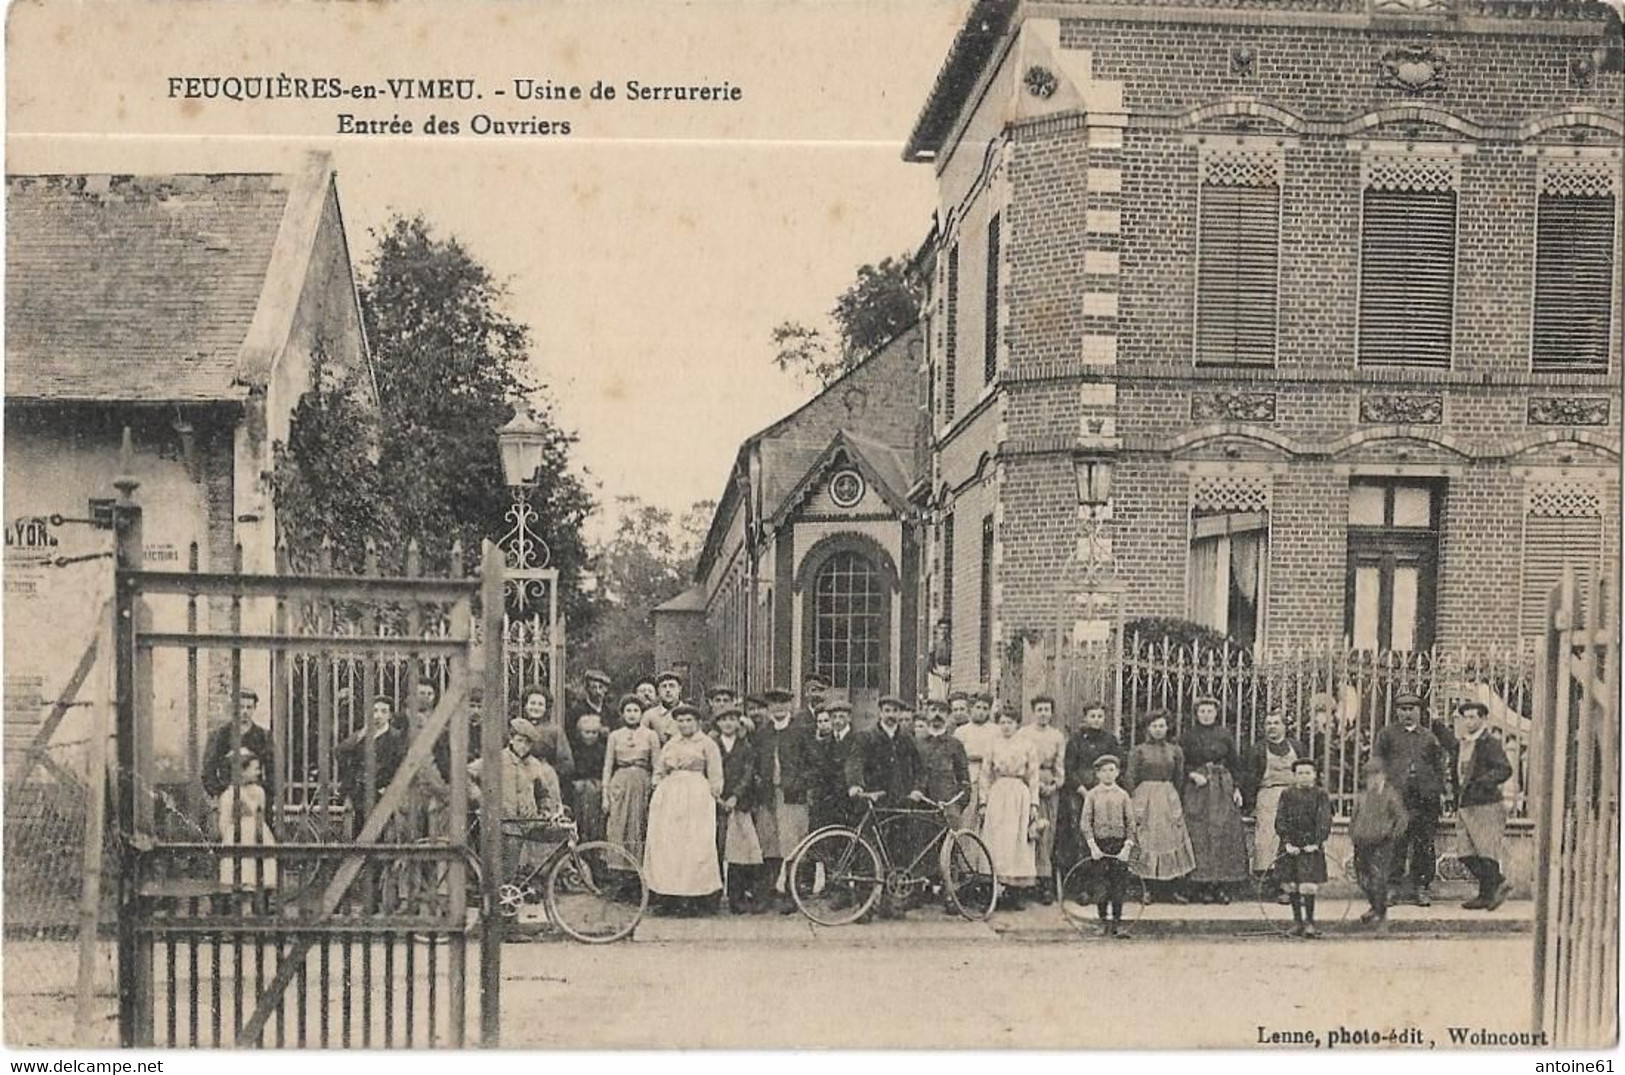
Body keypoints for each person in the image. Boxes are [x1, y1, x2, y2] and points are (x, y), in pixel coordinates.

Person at [644, 704, 724, 915]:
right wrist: (658, 787)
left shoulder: (707, 744)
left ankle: (697, 898)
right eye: (680, 720)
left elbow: (715, 774)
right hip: (670, 799)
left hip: (697, 797)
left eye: (689, 720)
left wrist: (713, 795)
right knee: (670, 847)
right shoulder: (671, 744)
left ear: (697, 722)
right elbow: (659, 769)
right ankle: (670, 897)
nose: (685, 724)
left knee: (696, 846)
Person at [1372, 691, 1450, 906]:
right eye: (1403, 709)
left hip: (1425, 799)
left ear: (1419, 712)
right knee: (1396, 842)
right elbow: (1377, 764)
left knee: (1424, 844)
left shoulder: (1428, 737)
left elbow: (1439, 766)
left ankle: (1420, 887)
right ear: (1397, 711)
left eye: (1412, 709)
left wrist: (1439, 791)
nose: (1408, 713)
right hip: (1398, 798)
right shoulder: (1387, 735)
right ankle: (1392, 887)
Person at [468, 718, 562, 878]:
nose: (523, 746)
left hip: (526, 823)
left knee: (552, 842)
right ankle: (501, 895)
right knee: (505, 868)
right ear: (511, 739)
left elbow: (543, 794)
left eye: (528, 743)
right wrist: (479, 798)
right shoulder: (495, 759)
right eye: (519, 741)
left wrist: (545, 809)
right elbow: (467, 774)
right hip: (501, 822)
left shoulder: (534, 765)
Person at [752, 686, 818, 913]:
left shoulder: (801, 731)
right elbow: (755, 763)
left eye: (783, 702)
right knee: (769, 844)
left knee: (793, 845)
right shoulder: (763, 733)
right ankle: (769, 893)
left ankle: (792, 894)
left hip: (793, 797)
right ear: (768, 707)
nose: (778, 707)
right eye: (773, 703)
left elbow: (815, 764)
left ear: (790, 705)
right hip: (769, 797)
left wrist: (800, 783)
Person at [1180, 696, 1249, 904]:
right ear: (1196, 713)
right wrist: (1192, 774)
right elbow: (1180, 763)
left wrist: (1237, 788)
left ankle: (1220, 885)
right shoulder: (1188, 736)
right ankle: (1200, 885)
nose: (1206, 715)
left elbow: (1235, 763)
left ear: (1216, 713)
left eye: (1210, 711)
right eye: (1202, 711)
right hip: (1198, 788)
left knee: (1223, 834)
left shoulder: (1225, 735)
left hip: (1222, 788)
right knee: (1199, 834)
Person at [1125, 710, 1195, 901]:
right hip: (1145, 798)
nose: (1158, 730)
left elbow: (1179, 777)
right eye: (1154, 726)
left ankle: (1171, 889)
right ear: (1148, 728)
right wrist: (1135, 800)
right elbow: (1130, 777)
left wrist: (1174, 798)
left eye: (1161, 726)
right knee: (1146, 840)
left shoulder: (1175, 750)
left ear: (1167, 727)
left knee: (1171, 839)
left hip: (1168, 798)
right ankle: (1146, 889)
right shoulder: (1138, 750)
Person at [977, 705, 1040, 908]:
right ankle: (994, 889)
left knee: (1017, 840)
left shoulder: (1027, 745)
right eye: (1002, 722)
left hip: (1019, 794)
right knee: (996, 840)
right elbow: (985, 774)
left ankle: (1015, 892)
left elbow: (1033, 776)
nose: (1006, 726)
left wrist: (1033, 803)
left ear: (1017, 724)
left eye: (1010, 722)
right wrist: (984, 802)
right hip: (998, 793)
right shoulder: (992, 744)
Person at [1454, 701, 1513, 911]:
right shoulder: (1462, 742)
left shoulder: (1489, 743)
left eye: (1473, 717)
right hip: (1466, 803)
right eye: (1465, 717)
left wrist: (1482, 783)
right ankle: (1498, 883)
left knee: (1485, 851)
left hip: (1486, 804)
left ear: (1482, 719)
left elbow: (1505, 769)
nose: (1468, 721)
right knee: (1466, 853)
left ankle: (1486, 895)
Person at [1244, 712, 1308, 902]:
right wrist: (1250, 804)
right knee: (1267, 840)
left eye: (1276, 723)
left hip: (1294, 796)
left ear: (1284, 726)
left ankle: (1293, 885)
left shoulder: (1296, 746)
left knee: (1294, 839)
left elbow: (1307, 771)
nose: (1272, 727)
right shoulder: (1258, 750)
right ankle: (1271, 884)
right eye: (1268, 723)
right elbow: (1250, 779)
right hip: (1268, 796)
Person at [1058, 702, 1124, 874]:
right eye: (1092, 716)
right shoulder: (1076, 740)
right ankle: (1082, 881)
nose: (1096, 720)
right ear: (1085, 718)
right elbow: (1069, 769)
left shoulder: (1110, 740)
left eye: (1100, 716)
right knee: (1081, 833)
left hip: (1104, 792)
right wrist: (1082, 790)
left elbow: (1116, 765)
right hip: (1080, 792)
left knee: (1102, 833)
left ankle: (1100, 878)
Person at [711, 706, 763, 914]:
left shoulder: (746, 747)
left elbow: (748, 774)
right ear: (718, 723)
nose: (728, 724)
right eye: (724, 720)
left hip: (739, 804)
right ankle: (713, 896)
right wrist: (717, 797)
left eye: (732, 720)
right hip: (716, 803)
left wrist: (735, 797)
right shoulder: (712, 745)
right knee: (715, 847)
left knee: (738, 853)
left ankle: (736, 897)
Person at [1273, 758, 1332, 938]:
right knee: (1291, 885)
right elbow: (1280, 819)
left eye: (1308, 773)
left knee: (1308, 885)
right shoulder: (1287, 794)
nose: (1304, 776)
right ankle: (1297, 922)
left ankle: (1310, 923)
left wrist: (1316, 842)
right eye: (1300, 773)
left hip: (1311, 846)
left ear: (1315, 775)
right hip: (1291, 845)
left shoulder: (1320, 794)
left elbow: (1324, 820)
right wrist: (1287, 842)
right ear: (1294, 776)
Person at [1080, 754, 1137, 938]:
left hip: (1118, 845)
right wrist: (1093, 847)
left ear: (1118, 772)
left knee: (1118, 885)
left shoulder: (1123, 795)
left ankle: (1118, 924)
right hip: (1100, 844)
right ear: (1097, 774)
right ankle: (1103, 922)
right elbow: (1085, 822)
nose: (1107, 774)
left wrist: (1127, 847)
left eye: (1111, 770)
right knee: (1101, 885)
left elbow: (1131, 823)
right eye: (1103, 771)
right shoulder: (1092, 795)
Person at [1019, 695, 1067, 904]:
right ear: (1033, 711)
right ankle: (1025, 881)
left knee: (1048, 832)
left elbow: (1060, 764)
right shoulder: (1023, 734)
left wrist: (1055, 784)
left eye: (1047, 710)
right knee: (1027, 830)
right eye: (1039, 710)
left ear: (1052, 712)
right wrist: (1034, 785)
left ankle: (1045, 882)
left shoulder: (1057, 736)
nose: (1043, 714)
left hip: (1049, 785)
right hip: (1027, 783)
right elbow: (1019, 762)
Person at [602, 694, 661, 864]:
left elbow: (657, 765)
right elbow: (608, 766)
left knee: (640, 824)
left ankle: (639, 871)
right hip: (620, 783)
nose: (632, 714)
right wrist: (605, 795)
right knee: (619, 824)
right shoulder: (615, 736)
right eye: (628, 710)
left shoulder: (651, 735)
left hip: (643, 783)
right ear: (622, 713)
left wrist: (655, 788)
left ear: (642, 713)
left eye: (636, 710)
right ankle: (618, 868)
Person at [1349, 767, 1408, 929]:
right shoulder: (1362, 796)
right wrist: (1353, 834)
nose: (1373, 779)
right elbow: (1354, 817)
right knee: (1363, 879)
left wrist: (1390, 836)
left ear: (1383, 776)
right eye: (1370, 776)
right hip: (1361, 842)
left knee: (1378, 879)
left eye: (1377, 775)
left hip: (1382, 843)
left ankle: (1382, 917)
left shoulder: (1390, 795)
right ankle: (1375, 907)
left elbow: (1402, 820)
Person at [217, 748, 277, 898]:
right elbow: (224, 821)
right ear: (242, 771)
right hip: (238, 837)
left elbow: (261, 814)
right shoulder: (230, 794)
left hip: (258, 834)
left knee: (262, 867)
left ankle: (262, 899)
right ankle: (244, 903)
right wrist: (229, 837)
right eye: (255, 769)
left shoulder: (259, 792)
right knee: (243, 870)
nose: (258, 773)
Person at [337, 697, 407, 825]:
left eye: (383, 711)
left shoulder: (396, 737)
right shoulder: (362, 735)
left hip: (382, 793)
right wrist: (359, 736)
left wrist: (389, 786)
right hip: (359, 793)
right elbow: (340, 752)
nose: (378, 715)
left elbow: (401, 765)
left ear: (390, 715)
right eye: (374, 711)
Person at [202, 688, 277, 804]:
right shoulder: (221, 735)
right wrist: (220, 793)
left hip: (255, 798)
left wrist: (266, 794)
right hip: (229, 798)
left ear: (254, 709)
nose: (245, 712)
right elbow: (208, 771)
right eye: (241, 707)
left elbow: (272, 770)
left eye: (249, 707)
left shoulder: (263, 736)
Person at [918, 701, 970, 826]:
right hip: (921, 807)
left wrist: (955, 806)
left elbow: (964, 782)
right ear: (927, 714)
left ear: (948, 715)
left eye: (942, 711)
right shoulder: (917, 744)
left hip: (947, 807)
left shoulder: (955, 745)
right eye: (933, 710)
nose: (937, 714)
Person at [810, 700, 858, 834]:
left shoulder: (857, 740)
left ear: (849, 718)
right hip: (829, 801)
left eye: (841, 717)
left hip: (849, 802)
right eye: (834, 717)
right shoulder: (825, 743)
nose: (837, 721)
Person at [955, 692, 998, 825]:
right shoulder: (962, 731)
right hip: (970, 773)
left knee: (990, 815)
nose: (981, 712)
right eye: (978, 707)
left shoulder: (995, 730)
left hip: (990, 775)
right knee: (969, 815)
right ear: (971, 709)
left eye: (985, 709)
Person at [517, 686, 575, 783]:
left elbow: (566, 763)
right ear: (525, 706)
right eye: (532, 703)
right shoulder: (517, 727)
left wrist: (546, 773)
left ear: (545, 708)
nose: (536, 707)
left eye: (540, 704)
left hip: (545, 780)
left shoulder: (554, 731)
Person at [572, 713, 608, 843]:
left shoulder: (602, 749)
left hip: (596, 790)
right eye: (587, 732)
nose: (591, 736)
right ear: (580, 732)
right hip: (579, 790)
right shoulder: (575, 749)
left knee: (596, 824)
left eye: (594, 732)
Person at [643, 671, 685, 743]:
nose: (668, 690)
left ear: (679, 689)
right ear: (658, 690)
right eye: (664, 686)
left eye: (672, 686)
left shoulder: (690, 713)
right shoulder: (649, 715)